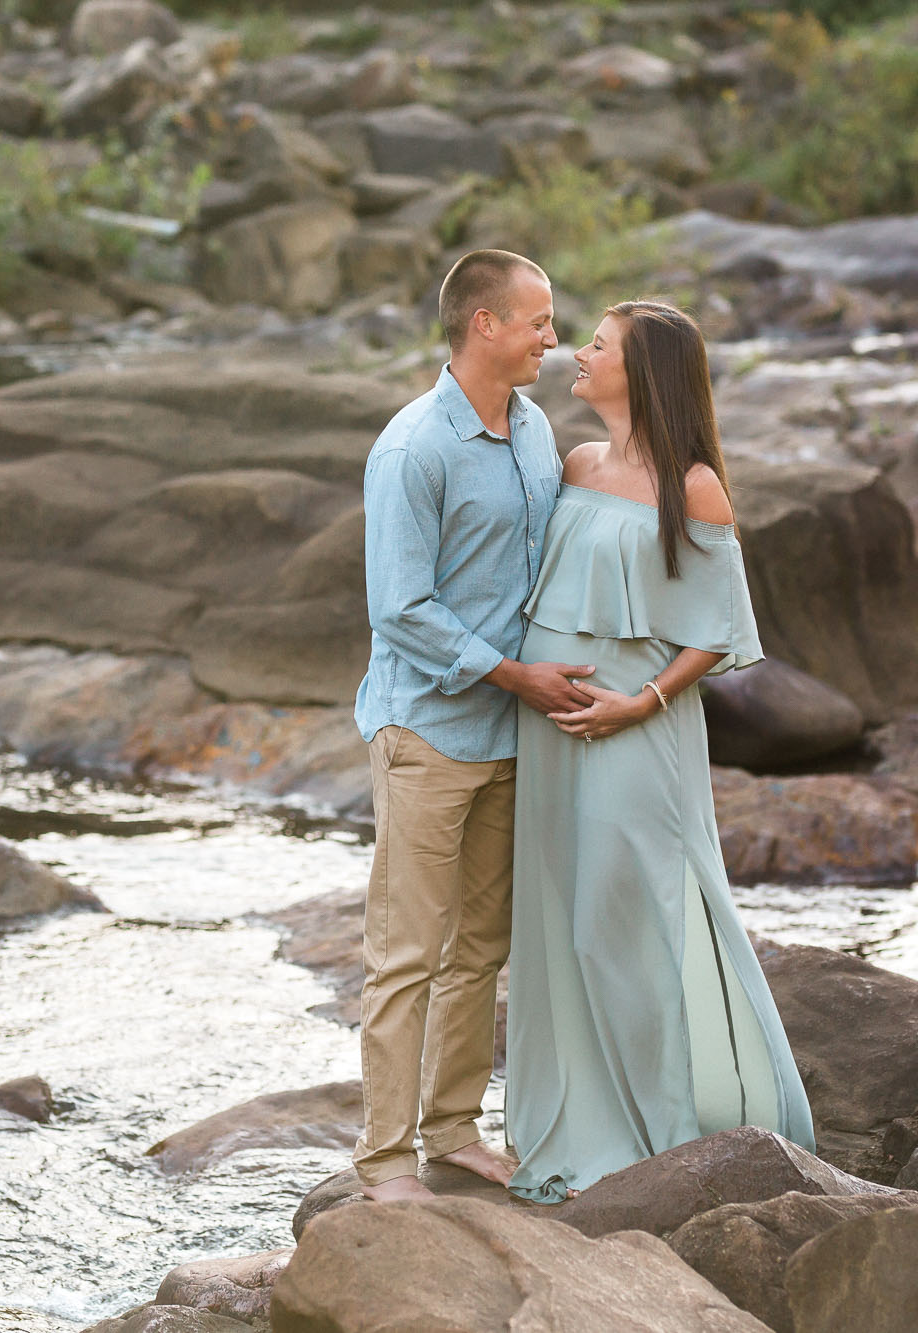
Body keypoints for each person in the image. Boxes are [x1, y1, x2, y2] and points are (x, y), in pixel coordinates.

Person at [504, 300, 817, 1203]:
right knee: (559, 918)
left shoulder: (696, 485)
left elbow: (716, 630)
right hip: (551, 727)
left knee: (634, 913)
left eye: (597, 346)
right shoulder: (576, 462)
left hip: (637, 728)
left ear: (641, 373)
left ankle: (673, 1126)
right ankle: (573, 1124)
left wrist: (638, 702)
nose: (577, 353)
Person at [352, 250, 594, 1202]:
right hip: (429, 734)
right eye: (538, 319)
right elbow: (399, 606)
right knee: (405, 955)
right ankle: (380, 1161)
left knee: (480, 950)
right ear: (484, 324)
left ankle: (451, 1130)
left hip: (512, 733)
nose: (553, 337)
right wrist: (515, 675)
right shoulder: (413, 449)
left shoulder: (535, 429)